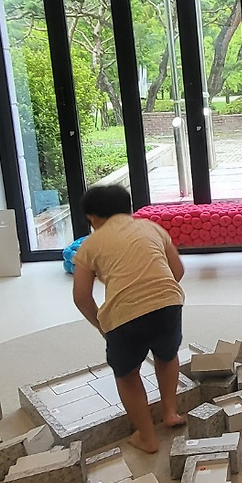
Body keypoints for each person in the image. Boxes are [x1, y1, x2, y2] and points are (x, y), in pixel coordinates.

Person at [72, 184, 186, 454]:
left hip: (124, 315)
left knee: (127, 374)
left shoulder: (90, 245)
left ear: (92, 218)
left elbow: (81, 296)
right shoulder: (152, 228)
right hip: (168, 303)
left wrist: (102, 325)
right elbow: (178, 271)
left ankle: (147, 438)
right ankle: (170, 412)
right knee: (167, 356)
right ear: (129, 209)